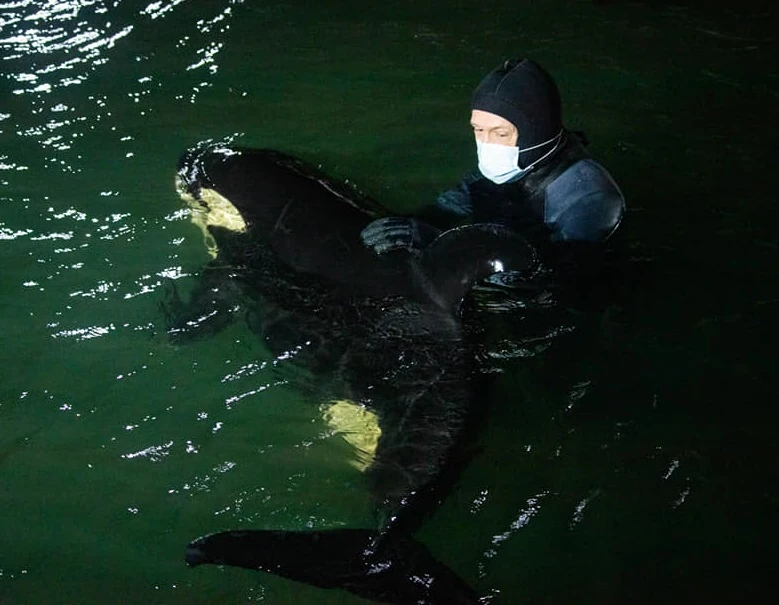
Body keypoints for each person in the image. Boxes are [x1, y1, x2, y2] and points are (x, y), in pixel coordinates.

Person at [361, 58, 625, 279]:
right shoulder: (501, 165)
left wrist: (443, 245)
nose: (487, 145)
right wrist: (409, 228)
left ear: (535, 134)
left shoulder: (591, 199)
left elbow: (555, 282)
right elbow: (448, 208)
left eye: (500, 134)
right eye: (478, 130)